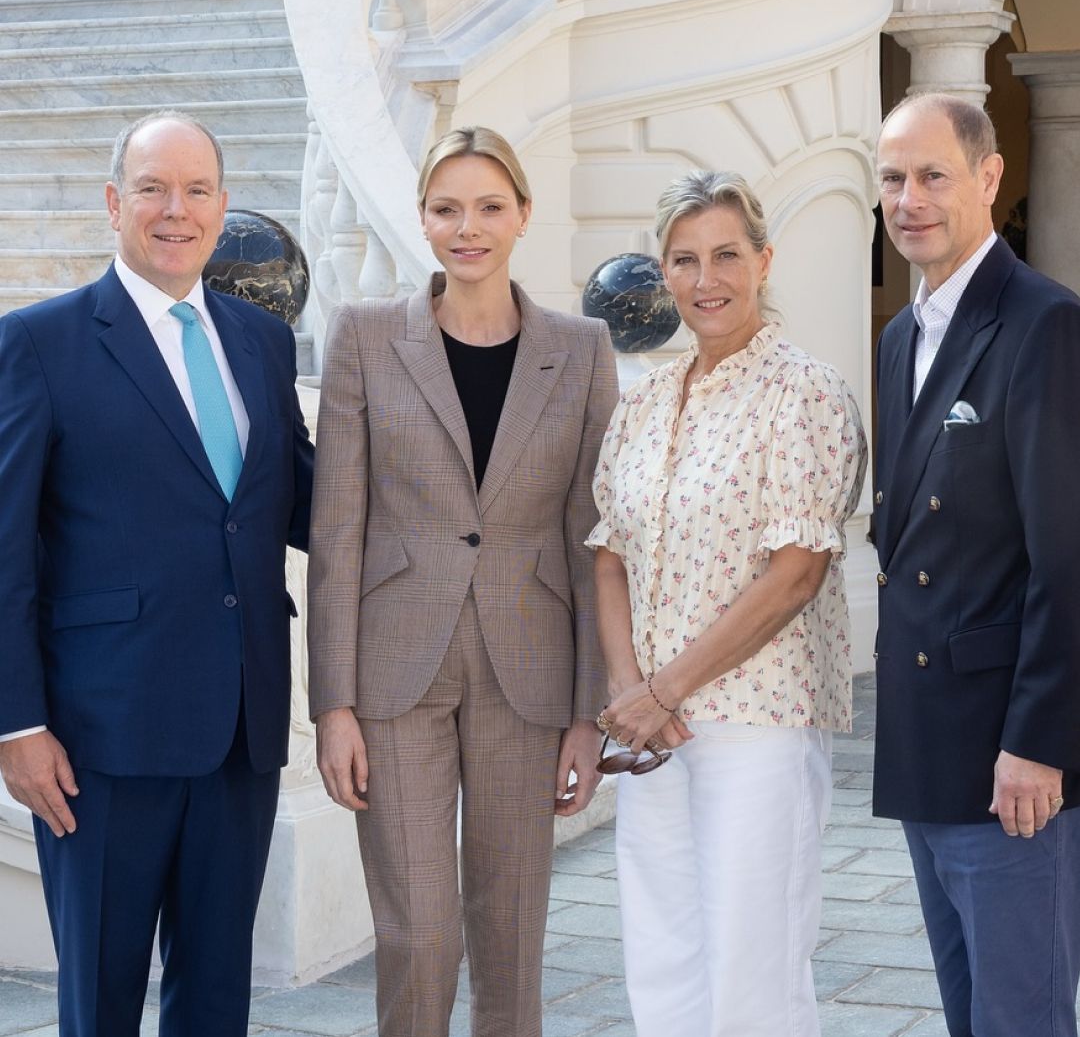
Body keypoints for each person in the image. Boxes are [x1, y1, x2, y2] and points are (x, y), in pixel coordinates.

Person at [0, 111, 314, 1037]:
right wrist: (17, 723)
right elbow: (6, 549)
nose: (176, 210)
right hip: (101, 741)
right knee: (99, 1004)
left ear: (222, 208)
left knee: (216, 1001)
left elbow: (303, 504)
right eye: (152, 188)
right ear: (114, 203)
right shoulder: (38, 344)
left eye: (197, 190)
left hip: (241, 732)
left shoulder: (262, 342)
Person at [306, 125, 619, 1037]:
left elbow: (589, 537)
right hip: (394, 672)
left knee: (512, 932)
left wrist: (586, 713)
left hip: (531, 674)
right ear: (424, 221)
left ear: (523, 214)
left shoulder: (583, 348)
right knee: (420, 933)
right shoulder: (366, 337)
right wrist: (333, 705)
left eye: (489, 206)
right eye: (448, 209)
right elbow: (338, 530)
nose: (468, 227)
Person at [589, 170, 866, 1037]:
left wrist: (664, 689)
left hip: (759, 722)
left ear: (763, 261)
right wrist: (634, 692)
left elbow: (794, 575)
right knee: (662, 951)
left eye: (726, 256)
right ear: (662, 275)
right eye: (684, 260)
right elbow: (608, 555)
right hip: (654, 730)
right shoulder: (645, 402)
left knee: (755, 962)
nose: (706, 279)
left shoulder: (805, 390)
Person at [872, 92, 1080, 1037]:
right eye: (891, 178)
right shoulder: (900, 336)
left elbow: (1067, 558)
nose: (908, 199)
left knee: (1020, 1016)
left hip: (1011, 761)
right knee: (967, 1016)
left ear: (989, 178)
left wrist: (1039, 742)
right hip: (931, 741)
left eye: (932, 176)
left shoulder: (1042, 326)